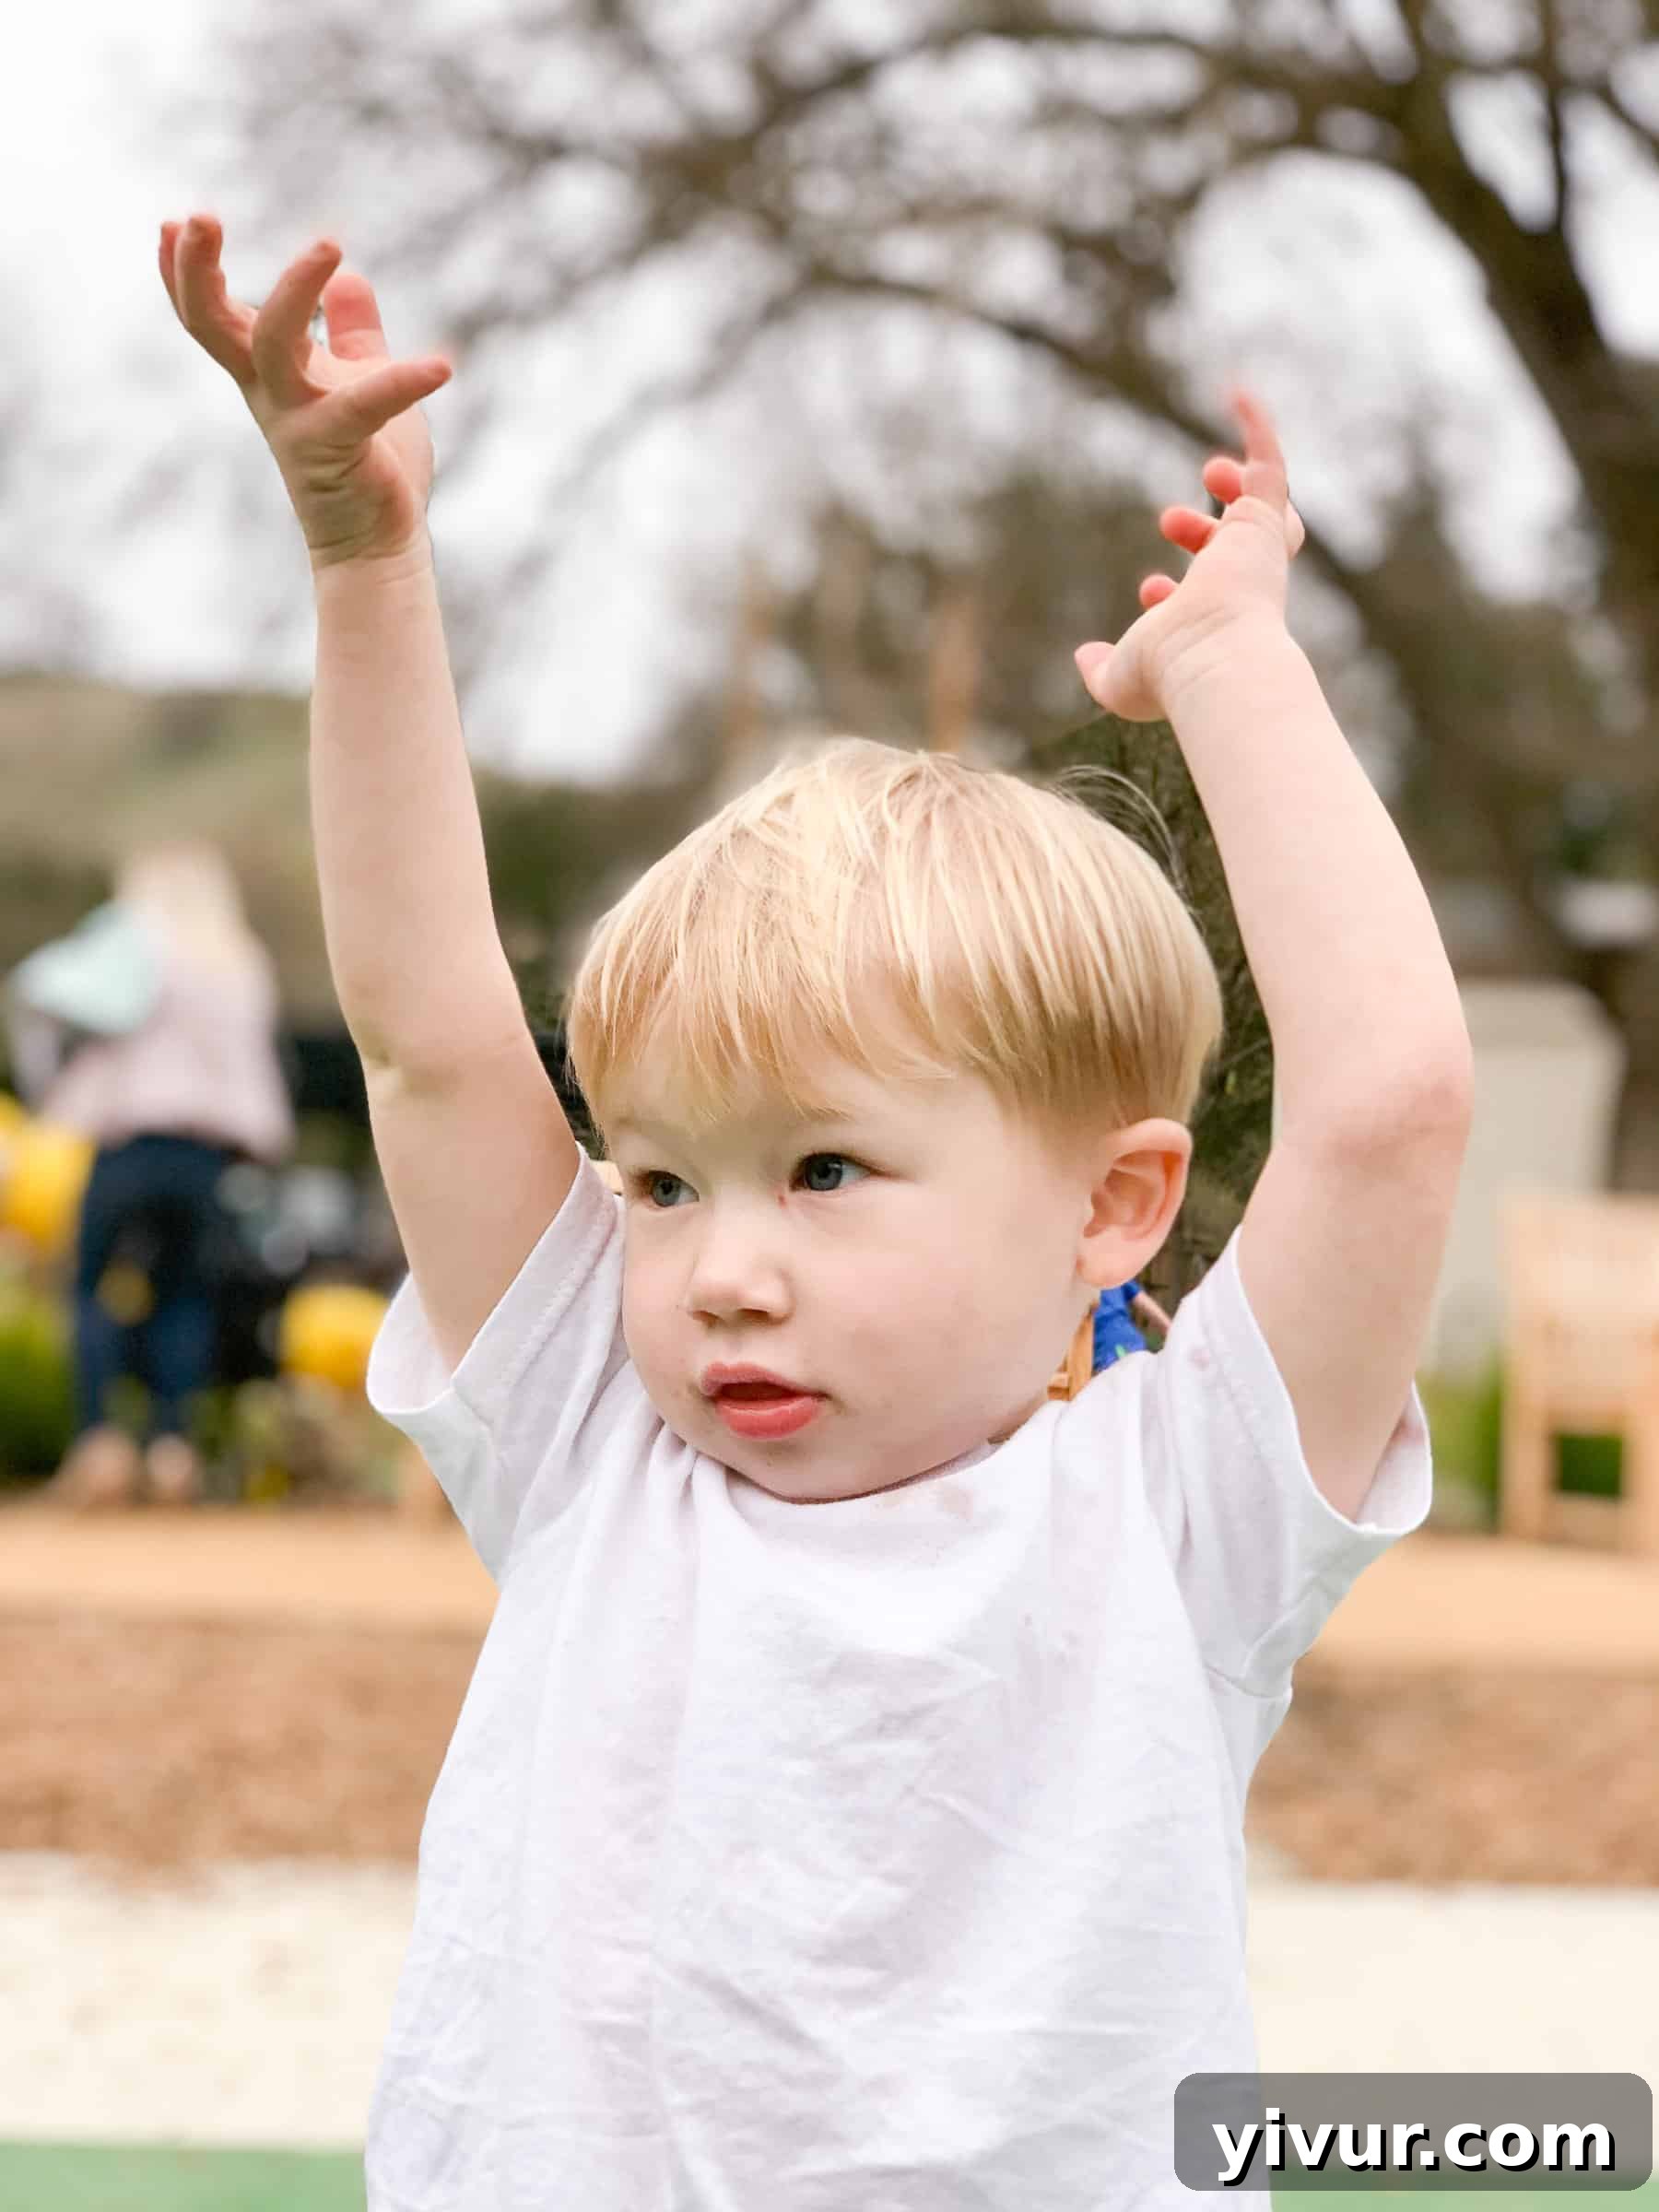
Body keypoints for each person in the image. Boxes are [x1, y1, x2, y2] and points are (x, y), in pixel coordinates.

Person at [159, 212, 1472, 2208]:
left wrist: (1228, 670)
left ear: (1117, 1209)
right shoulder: (596, 1440)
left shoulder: (1179, 1511)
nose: (720, 1271)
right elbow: (429, 1037)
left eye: (828, 1170)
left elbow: (1386, 1107)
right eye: (664, 1181)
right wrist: (364, 565)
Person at [4, 841, 295, 1507]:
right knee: (184, 1296)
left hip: (127, 1147)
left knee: (92, 1287)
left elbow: (43, 993)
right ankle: (172, 1447)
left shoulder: (132, 941)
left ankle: (101, 1441)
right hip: (205, 1157)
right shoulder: (238, 961)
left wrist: (50, 1085)